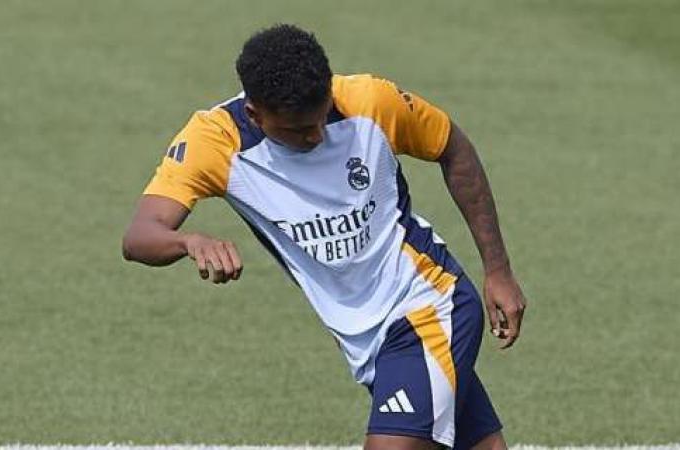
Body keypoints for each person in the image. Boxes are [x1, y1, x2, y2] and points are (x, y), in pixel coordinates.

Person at [122, 24, 527, 450]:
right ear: (256, 114)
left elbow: (453, 149)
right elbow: (140, 236)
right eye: (298, 131)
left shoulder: (370, 102)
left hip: (428, 303)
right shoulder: (217, 144)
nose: (317, 135)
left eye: (321, 117)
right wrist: (189, 242)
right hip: (367, 338)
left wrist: (497, 271)